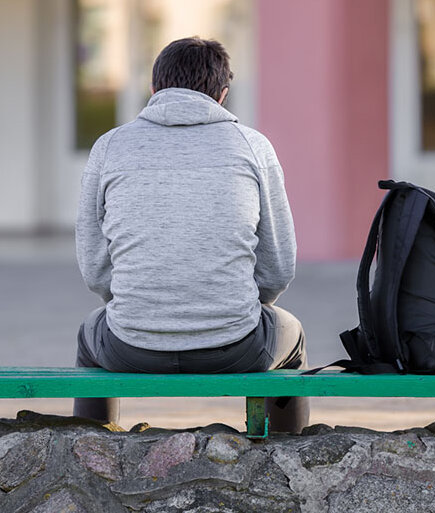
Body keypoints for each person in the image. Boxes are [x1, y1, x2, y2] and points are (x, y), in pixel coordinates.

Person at [73, 37, 308, 433]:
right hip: (237, 346)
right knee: (294, 336)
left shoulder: (110, 146)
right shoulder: (252, 147)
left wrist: (143, 307)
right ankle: (287, 458)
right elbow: (278, 268)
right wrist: (238, 307)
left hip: (130, 346)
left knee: (89, 335)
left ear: (154, 90)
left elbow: (95, 270)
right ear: (222, 95)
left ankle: (94, 453)